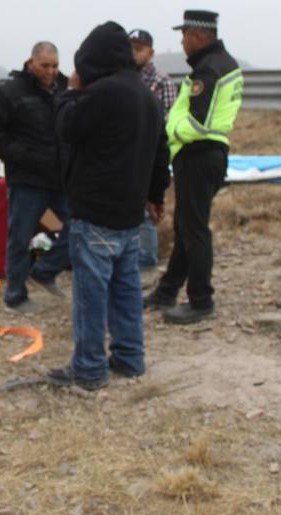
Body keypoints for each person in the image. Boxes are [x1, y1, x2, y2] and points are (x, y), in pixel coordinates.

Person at [47, 21, 170, 390]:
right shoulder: (146, 95)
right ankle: (130, 358)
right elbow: (160, 153)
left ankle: (89, 369)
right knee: (126, 290)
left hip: (95, 213)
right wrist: (156, 195)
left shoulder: (103, 93)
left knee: (91, 295)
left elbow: (67, 127)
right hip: (129, 215)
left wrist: (70, 92)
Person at [145, 10, 244, 324]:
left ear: (198, 36)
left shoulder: (210, 69)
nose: (182, 42)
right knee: (186, 226)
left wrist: (170, 132)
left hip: (199, 154)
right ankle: (167, 291)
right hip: (201, 155)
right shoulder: (216, 64)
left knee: (194, 229)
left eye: (184, 35)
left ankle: (201, 300)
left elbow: (200, 122)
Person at [0, 41, 71, 314]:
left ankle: (45, 271)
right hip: (27, 180)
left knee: (80, 225)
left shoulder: (65, 88)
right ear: (31, 63)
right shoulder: (10, 92)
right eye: (45, 66)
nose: (50, 71)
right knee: (20, 238)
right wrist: (22, 156)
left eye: (55, 66)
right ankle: (15, 296)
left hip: (61, 178)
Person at [128, 28, 179, 273]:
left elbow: (166, 123)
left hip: (148, 154)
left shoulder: (161, 81)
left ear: (151, 53)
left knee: (146, 209)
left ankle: (146, 262)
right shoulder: (121, 78)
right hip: (125, 154)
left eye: (139, 49)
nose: (133, 53)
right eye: (130, 48)